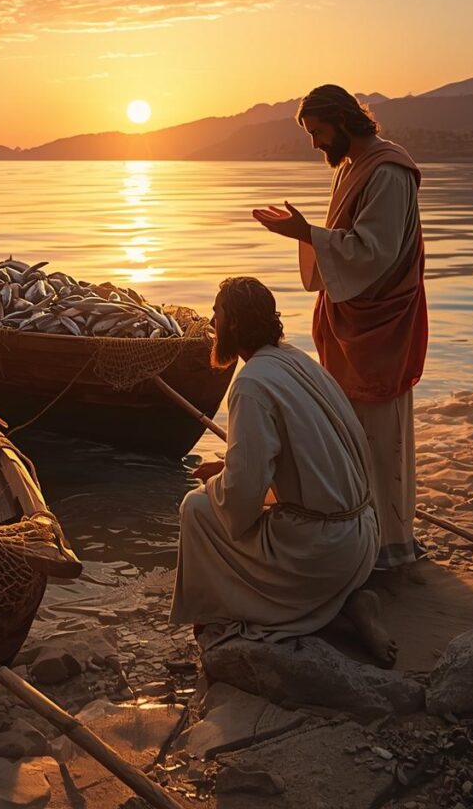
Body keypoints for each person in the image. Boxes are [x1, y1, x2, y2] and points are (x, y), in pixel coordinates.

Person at [170, 276, 395, 665]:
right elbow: (303, 457)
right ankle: (345, 602)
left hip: (323, 552)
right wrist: (226, 469)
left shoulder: (251, 384)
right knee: (242, 500)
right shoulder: (296, 359)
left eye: (217, 313)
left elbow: (241, 498)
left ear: (235, 323)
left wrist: (219, 484)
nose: (211, 321)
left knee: (196, 509)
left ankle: (218, 619)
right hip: (363, 538)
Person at [252, 85, 427, 571]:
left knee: (380, 434)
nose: (314, 143)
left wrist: (306, 233)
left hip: (381, 327)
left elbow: (375, 252)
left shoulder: (388, 170)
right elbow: (349, 248)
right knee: (350, 433)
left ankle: (389, 545)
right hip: (355, 322)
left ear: (345, 119)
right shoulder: (353, 166)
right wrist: (308, 234)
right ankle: (357, 537)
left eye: (318, 131)